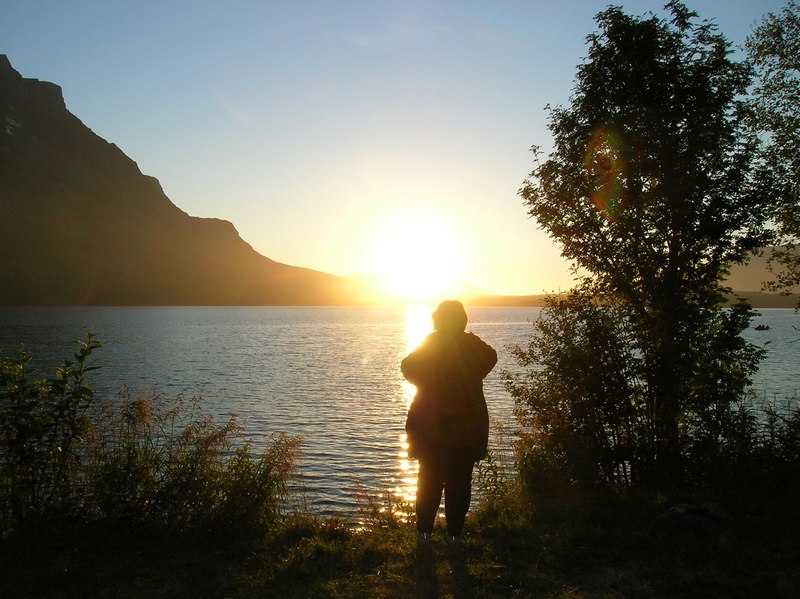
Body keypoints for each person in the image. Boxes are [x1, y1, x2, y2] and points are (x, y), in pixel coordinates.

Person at [401, 300, 497, 547]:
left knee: (429, 480)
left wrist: (425, 382)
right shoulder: (472, 347)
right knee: (459, 481)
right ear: (462, 320)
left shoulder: (431, 344)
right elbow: (491, 358)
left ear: (439, 319)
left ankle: (424, 534)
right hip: (466, 430)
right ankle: (454, 535)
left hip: (430, 427)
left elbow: (407, 367)